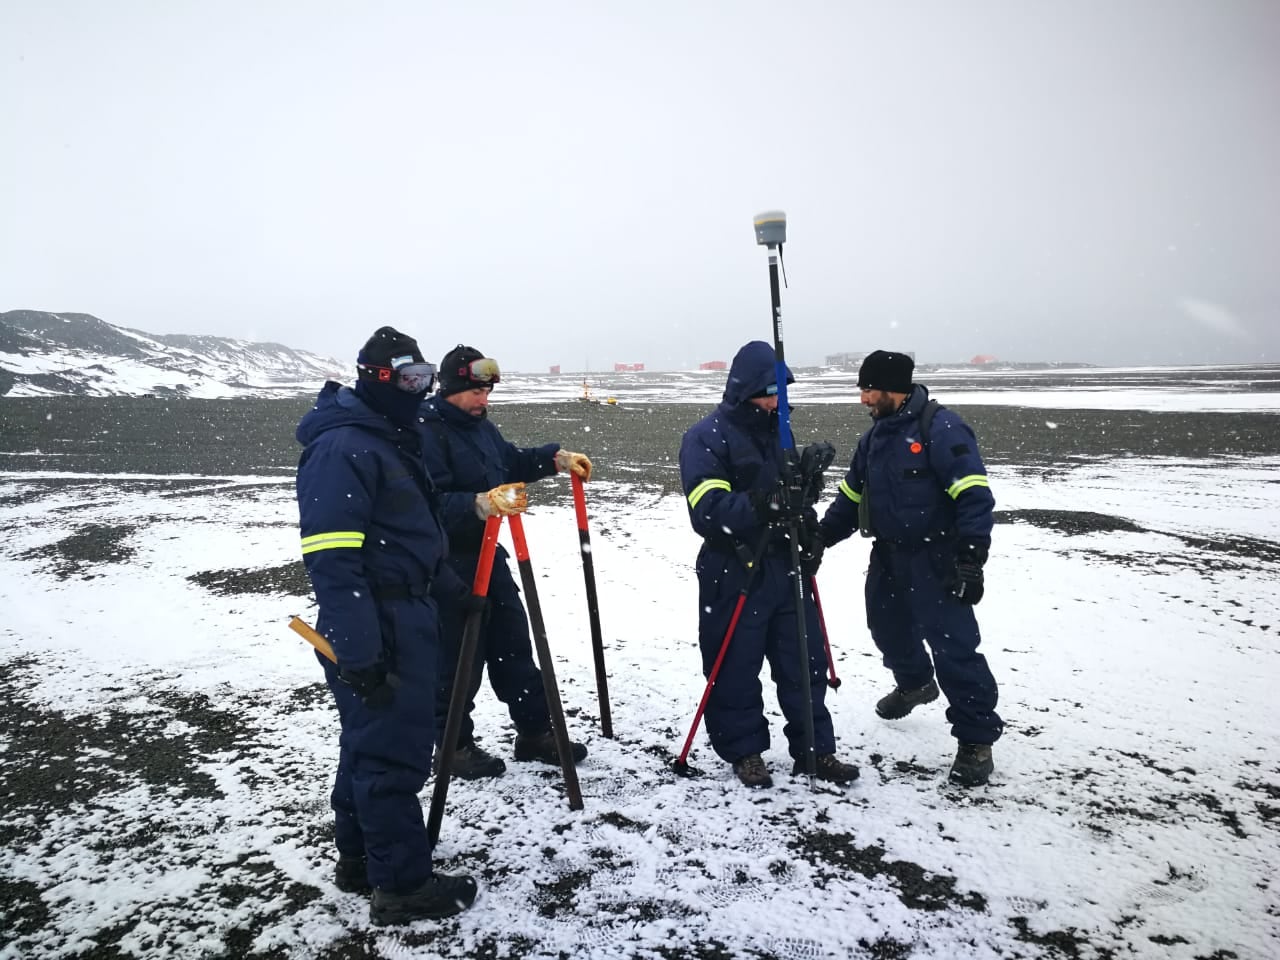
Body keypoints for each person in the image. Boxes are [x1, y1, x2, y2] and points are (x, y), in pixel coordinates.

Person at [295, 326, 478, 925]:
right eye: (408, 380)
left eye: (424, 378)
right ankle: (401, 885)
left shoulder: (391, 439)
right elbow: (333, 559)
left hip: (407, 609)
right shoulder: (345, 447)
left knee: (367, 744)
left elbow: (412, 536)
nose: (418, 390)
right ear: (377, 379)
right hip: (376, 619)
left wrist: (455, 592)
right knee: (392, 754)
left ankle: (360, 858)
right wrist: (359, 649)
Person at [816, 349, 1003, 786]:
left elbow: (974, 495)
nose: (862, 398)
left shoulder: (941, 428)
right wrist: (821, 537)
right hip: (889, 554)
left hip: (938, 558)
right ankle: (916, 683)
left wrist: (971, 557)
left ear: (893, 389)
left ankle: (976, 739)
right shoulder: (875, 439)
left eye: (868, 389)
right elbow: (851, 497)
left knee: (954, 646)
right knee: (885, 628)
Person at [678, 340, 859, 789]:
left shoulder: (781, 433)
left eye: (781, 392)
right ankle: (745, 752)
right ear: (743, 391)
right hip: (735, 566)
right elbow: (708, 510)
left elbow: (792, 502)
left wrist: (808, 513)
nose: (777, 401)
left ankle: (816, 750)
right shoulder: (707, 437)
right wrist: (765, 503)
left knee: (804, 661)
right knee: (735, 667)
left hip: (786, 564)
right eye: (768, 392)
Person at [421, 344, 594, 780]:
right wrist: (477, 504)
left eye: (488, 392)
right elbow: (424, 504)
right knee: (459, 656)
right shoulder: (427, 430)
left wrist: (555, 459)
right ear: (453, 388)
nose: (485, 400)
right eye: (477, 392)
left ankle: (534, 733)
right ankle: (454, 745)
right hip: (448, 563)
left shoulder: (480, 427)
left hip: (488, 553)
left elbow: (510, 461)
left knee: (514, 641)